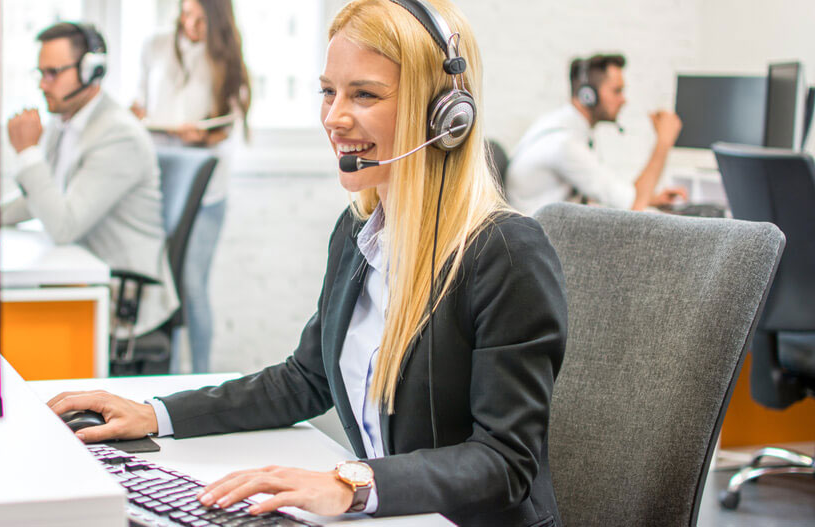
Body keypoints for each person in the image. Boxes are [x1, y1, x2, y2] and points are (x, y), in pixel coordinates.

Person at [49, 1, 567, 524]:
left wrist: (351, 486)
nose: (334, 117)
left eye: (363, 94)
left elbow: (505, 462)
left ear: (445, 115)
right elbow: (305, 378)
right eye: (328, 91)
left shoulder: (504, 252)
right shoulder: (358, 233)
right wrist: (155, 414)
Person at [1, 22, 177, 336]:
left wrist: (28, 152)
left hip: (121, 303)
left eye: (53, 73)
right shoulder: (64, 123)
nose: (43, 84)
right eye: (40, 73)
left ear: (92, 71)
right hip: (84, 282)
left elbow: (63, 227)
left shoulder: (118, 134)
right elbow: (43, 200)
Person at [130, 0, 251, 373]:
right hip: (158, 185)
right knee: (159, 286)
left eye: (200, 18)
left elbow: (226, 125)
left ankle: (199, 376)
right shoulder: (156, 46)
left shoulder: (225, 57)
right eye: (186, 15)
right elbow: (138, 106)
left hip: (205, 192)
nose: (191, 24)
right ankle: (165, 372)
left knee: (191, 286)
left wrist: (198, 135)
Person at [505, 53, 687, 216]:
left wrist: (652, 199)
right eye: (617, 91)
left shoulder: (564, 127)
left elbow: (621, 199)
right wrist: (663, 142)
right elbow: (634, 210)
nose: (623, 100)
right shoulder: (564, 145)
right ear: (588, 96)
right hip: (544, 242)